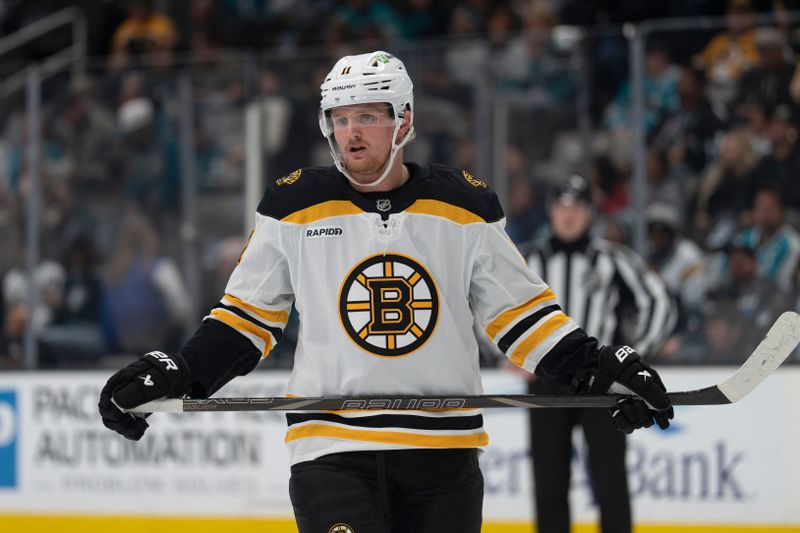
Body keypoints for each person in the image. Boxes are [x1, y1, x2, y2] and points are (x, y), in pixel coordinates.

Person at [97, 51, 674, 533]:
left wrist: (598, 368)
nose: (350, 132)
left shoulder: (464, 207)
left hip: (443, 455)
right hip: (331, 451)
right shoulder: (292, 207)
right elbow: (245, 320)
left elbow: (522, 318)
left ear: (403, 121)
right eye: (340, 118)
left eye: (367, 116)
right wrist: (179, 371)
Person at [520, 175, 676, 533]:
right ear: (550, 210)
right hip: (546, 380)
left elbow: (658, 302)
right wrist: (511, 357)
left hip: (603, 382)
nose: (568, 214)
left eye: (577, 206)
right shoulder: (527, 261)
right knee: (548, 481)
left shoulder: (612, 259)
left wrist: (633, 358)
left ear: (590, 211)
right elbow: (485, 307)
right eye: (561, 206)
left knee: (610, 480)